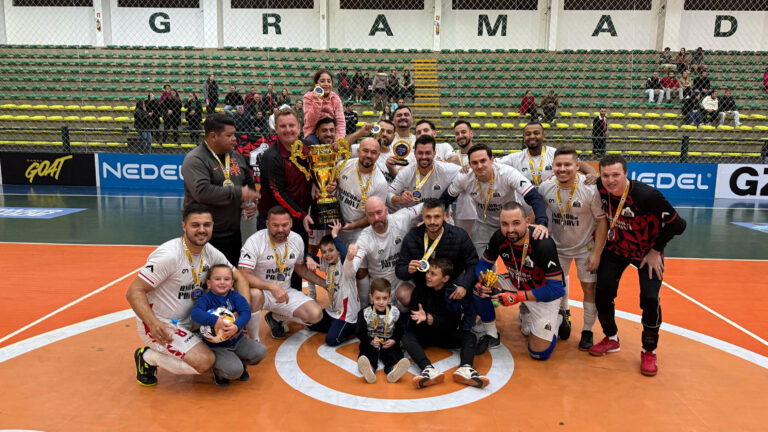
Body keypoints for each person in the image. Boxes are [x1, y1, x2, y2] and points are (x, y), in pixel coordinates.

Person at [127, 204, 252, 386]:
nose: (202, 230)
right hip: (163, 323)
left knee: (250, 299)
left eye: (207, 225)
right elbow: (134, 291)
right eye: (195, 225)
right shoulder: (169, 255)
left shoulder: (210, 252)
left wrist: (241, 317)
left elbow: (240, 279)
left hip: (193, 319)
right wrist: (153, 323)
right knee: (204, 362)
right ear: (184, 226)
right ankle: (148, 357)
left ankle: (210, 350)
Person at [590, 155, 687, 376]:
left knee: (650, 299)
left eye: (616, 175)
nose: (610, 180)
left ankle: (649, 350)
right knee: (602, 293)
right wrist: (588, 171)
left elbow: (679, 224)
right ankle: (611, 338)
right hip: (616, 249)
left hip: (647, 253)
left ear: (626, 174)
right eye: (605, 175)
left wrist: (655, 251)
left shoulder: (646, 195)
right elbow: (588, 172)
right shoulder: (600, 185)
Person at [476, 203, 566, 361]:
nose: (510, 230)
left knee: (539, 354)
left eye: (516, 223)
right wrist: (483, 280)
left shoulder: (543, 243)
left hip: (542, 294)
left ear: (527, 221)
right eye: (505, 224)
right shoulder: (499, 237)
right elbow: (483, 265)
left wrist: (518, 297)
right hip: (514, 282)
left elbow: (557, 290)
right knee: (479, 288)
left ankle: (558, 318)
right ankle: (491, 333)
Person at [538, 148, 608, 349]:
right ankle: (564, 313)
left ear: (577, 166)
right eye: (558, 165)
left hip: (585, 248)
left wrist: (596, 252)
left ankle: (587, 330)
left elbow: (602, 222)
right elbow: (539, 214)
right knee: (557, 287)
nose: (562, 169)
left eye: (567, 164)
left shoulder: (590, 189)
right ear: (553, 166)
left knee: (589, 288)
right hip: (558, 248)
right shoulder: (546, 187)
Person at [442, 143, 548, 259]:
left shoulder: (507, 173)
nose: (480, 166)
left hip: (511, 224)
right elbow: (446, 198)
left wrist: (542, 223)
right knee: (481, 264)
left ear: (492, 160)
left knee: (522, 263)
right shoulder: (464, 177)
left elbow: (534, 197)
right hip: (484, 224)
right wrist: (440, 214)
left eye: (483, 161)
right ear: (470, 164)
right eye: (475, 163)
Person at [238, 206, 328, 339]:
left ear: (291, 223)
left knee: (316, 314)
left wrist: (324, 283)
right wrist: (271, 287)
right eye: (275, 225)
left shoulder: (297, 239)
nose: (280, 229)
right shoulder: (254, 241)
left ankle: (275, 317)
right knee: (254, 294)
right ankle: (253, 340)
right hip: (261, 292)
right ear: (267, 224)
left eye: (285, 225)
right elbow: (243, 274)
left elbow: (300, 268)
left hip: (284, 292)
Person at [181, 114, 259, 265]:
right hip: (203, 235)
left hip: (233, 233)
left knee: (230, 279)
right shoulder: (195, 159)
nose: (234, 139)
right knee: (203, 282)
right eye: (229, 135)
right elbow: (202, 192)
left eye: (234, 135)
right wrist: (238, 192)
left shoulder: (237, 157)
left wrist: (251, 202)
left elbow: (248, 184)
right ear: (213, 136)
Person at [403, 258, 489, 389]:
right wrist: (424, 319)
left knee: (469, 336)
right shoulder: (419, 290)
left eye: (433, 274)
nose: (428, 276)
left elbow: (454, 323)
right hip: (424, 334)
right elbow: (414, 322)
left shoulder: (452, 293)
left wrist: (432, 319)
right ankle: (428, 370)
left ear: (445, 278)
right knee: (407, 337)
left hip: (445, 334)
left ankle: (466, 368)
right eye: (428, 272)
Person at [257, 108, 315, 292]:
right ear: (276, 128)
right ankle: (272, 312)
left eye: (291, 125)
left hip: (299, 217)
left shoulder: (307, 149)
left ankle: (295, 306)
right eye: (283, 126)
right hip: (275, 219)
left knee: (297, 263)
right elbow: (277, 193)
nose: (288, 130)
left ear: (299, 127)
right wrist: (301, 214)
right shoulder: (270, 157)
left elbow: (317, 174)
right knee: (274, 267)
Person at [395, 199, 479, 317]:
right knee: (404, 294)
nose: (432, 221)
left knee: (477, 287)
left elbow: (473, 263)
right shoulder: (412, 236)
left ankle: (469, 323)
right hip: (423, 284)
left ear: (444, 216)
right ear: (422, 217)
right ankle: (408, 317)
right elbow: (399, 269)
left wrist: (464, 285)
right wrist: (407, 270)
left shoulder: (459, 236)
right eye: (428, 217)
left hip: (450, 283)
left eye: (437, 217)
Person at [190, 264, 267, 386]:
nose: (222, 282)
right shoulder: (206, 299)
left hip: (237, 340)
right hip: (215, 346)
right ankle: (218, 370)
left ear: (231, 283)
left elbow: (246, 312)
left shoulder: (235, 296)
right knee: (234, 372)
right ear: (209, 284)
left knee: (261, 351)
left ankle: (240, 361)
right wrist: (215, 321)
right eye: (217, 279)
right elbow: (195, 314)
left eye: (226, 279)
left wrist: (237, 326)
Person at [351, 197, 422, 308]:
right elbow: (356, 267)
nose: (376, 218)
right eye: (371, 215)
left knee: (407, 297)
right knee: (381, 320)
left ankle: (406, 314)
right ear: (367, 217)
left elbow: (424, 206)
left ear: (386, 210)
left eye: (379, 212)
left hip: (401, 282)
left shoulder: (400, 218)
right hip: (380, 288)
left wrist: (440, 215)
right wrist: (350, 262)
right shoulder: (364, 237)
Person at [306, 224, 360, 346]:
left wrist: (335, 235)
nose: (327, 254)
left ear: (338, 251)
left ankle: (353, 329)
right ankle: (336, 326)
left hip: (347, 315)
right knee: (309, 322)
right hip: (333, 310)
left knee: (331, 340)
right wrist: (309, 258)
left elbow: (345, 253)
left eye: (331, 250)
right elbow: (306, 256)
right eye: (324, 252)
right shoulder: (325, 263)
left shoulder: (344, 263)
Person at [498, 122, 597, 188]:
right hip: (525, 210)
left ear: (543, 136)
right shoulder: (515, 158)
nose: (532, 136)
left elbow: (581, 165)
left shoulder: (555, 154)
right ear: (524, 138)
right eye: (528, 134)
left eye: (536, 133)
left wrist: (593, 174)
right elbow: (493, 164)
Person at [355, 278, 411, 384]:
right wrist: (370, 340)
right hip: (371, 342)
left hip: (388, 343)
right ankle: (369, 369)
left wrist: (394, 340)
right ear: (371, 297)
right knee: (367, 353)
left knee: (394, 354)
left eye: (384, 298)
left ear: (390, 297)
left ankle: (393, 370)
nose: (381, 302)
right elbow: (359, 332)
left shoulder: (394, 312)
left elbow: (400, 331)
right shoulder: (364, 313)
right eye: (377, 298)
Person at [335, 137, 389, 245]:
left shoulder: (380, 183)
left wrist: (350, 226)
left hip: (359, 232)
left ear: (378, 156)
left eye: (373, 152)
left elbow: (375, 216)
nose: (369, 155)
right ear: (358, 151)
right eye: (365, 151)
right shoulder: (343, 166)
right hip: (336, 226)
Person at [388, 135, 460, 209]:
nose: (424, 157)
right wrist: (400, 199)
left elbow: (466, 173)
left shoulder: (445, 169)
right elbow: (388, 194)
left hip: (438, 218)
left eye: (428, 153)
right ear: (415, 153)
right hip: (413, 218)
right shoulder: (406, 172)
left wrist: (466, 168)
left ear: (434, 153)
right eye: (420, 153)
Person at [445, 120, 478, 237]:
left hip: (483, 210)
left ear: (471, 133)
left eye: (463, 132)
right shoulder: (452, 157)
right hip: (462, 212)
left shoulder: (481, 154)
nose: (460, 136)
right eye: (457, 134)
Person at [303, 70, 346, 142]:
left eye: (329, 81)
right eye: (322, 81)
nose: (326, 84)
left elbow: (340, 122)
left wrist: (338, 140)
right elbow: (310, 121)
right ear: (316, 84)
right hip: (313, 133)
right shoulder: (308, 97)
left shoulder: (336, 98)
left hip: (331, 133)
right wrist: (317, 100)